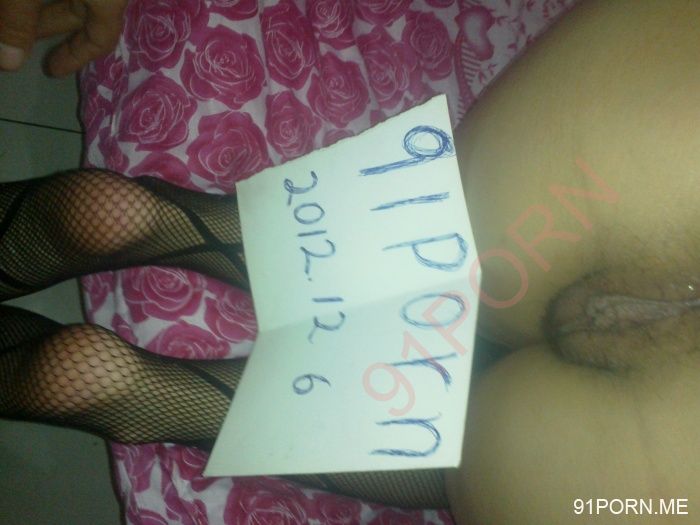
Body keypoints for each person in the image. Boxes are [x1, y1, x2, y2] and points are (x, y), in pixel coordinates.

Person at [2, 1, 699, 524]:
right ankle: (168, 396)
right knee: (473, 445)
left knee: (473, 244)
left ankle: (199, 228)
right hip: (641, 473)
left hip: (634, 157)